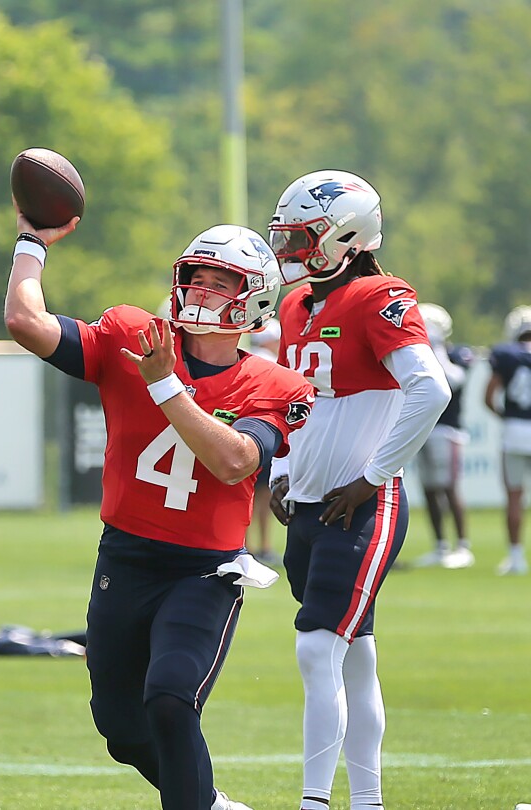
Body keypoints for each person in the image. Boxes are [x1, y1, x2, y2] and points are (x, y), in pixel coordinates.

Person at [5, 210, 314, 810]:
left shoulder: (273, 383)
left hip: (205, 570)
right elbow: (25, 320)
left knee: (171, 699)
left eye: (220, 281)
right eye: (196, 275)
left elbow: (235, 461)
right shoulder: (134, 334)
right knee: (120, 728)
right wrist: (32, 243)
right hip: (125, 557)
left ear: (254, 300)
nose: (201, 288)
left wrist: (166, 386)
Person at [266, 170, 450, 810]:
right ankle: (367, 801)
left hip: (363, 505)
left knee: (317, 648)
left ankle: (315, 801)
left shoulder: (381, 297)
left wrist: (371, 477)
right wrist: (283, 470)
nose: (289, 253)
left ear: (347, 236)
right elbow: (299, 404)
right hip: (313, 504)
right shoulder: (296, 305)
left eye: (302, 239)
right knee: (353, 657)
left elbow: (431, 390)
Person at [411, 303, 476, 569]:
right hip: (422, 428)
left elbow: (454, 379)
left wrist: (434, 349)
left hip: (447, 429)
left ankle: (463, 546)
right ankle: (440, 545)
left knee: (449, 487)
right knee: (428, 489)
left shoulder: (456, 353)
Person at [484, 304, 531, 576]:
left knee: (514, 495)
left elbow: (488, 396)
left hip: (514, 430)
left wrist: (504, 416)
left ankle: (516, 557)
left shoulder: (506, 354)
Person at [246, 319, 283, 566]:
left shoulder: (248, 357)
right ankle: (264, 546)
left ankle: (245, 545)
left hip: (244, 432)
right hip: (263, 432)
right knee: (262, 496)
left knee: (248, 495)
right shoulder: (269, 361)